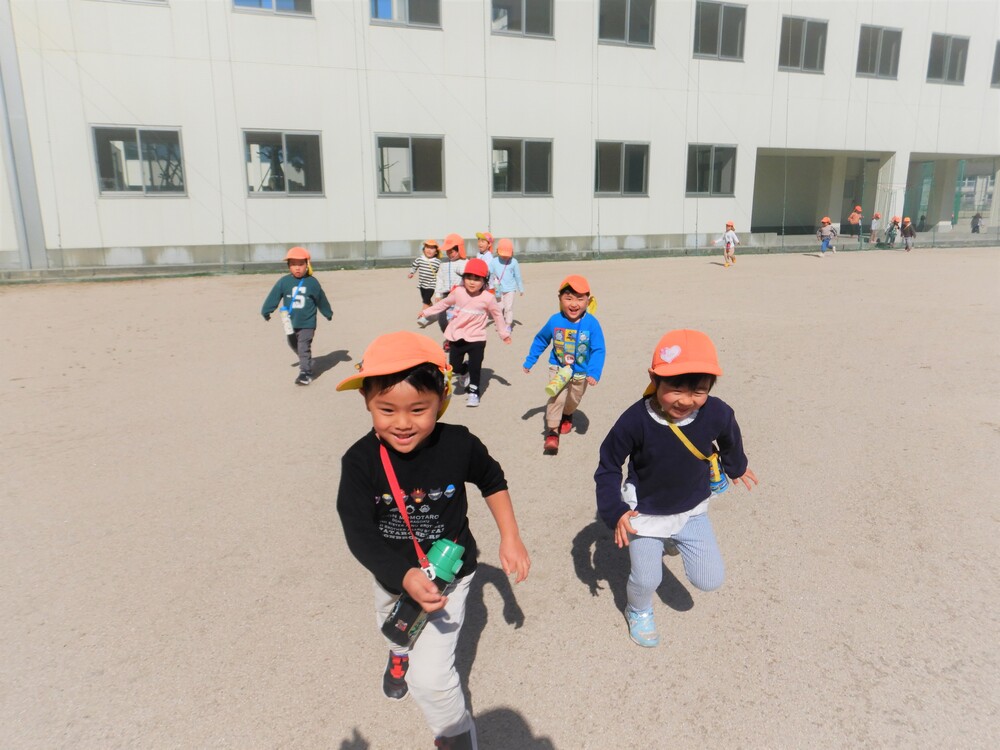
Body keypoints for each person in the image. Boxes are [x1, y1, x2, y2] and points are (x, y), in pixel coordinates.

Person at [335, 331, 530, 750]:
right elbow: (357, 529)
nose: (402, 423)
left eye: (418, 409)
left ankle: (454, 736)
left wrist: (510, 537)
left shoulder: (458, 444)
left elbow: (492, 480)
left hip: (450, 577)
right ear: (366, 402)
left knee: (433, 677)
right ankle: (398, 652)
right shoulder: (359, 460)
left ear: (441, 399)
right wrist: (400, 574)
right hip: (392, 575)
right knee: (394, 628)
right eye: (386, 409)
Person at [594, 329, 758, 647]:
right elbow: (608, 466)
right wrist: (615, 512)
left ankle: (672, 537)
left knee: (709, 580)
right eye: (675, 389)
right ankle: (637, 609)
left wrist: (736, 465)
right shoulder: (634, 421)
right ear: (655, 379)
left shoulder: (717, 412)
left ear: (710, 387)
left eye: (699, 390)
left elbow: (729, 433)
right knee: (647, 578)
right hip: (647, 512)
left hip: (691, 508)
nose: (686, 400)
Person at [522, 275, 606, 455]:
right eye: (568, 298)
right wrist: (531, 360)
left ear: (588, 300)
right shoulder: (555, 321)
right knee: (557, 397)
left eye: (579, 299)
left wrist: (594, 371)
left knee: (573, 399)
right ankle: (552, 432)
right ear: (560, 299)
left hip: (581, 372)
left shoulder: (592, 324)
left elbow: (599, 349)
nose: (574, 304)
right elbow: (541, 340)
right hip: (558, 368)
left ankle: (567, 414)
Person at [419, 258, 510, 407]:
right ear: (464, 278)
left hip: (477, 338)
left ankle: (474, 392)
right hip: (457, 336)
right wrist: (426, 312)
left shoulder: (488, 298)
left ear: (484, 281)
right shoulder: (458, 292)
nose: (472, 282)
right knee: (455, 365)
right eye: (468, 278)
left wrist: (504, 334)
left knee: (476, 367)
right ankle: (464, 370)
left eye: (477, 279)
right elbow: (443, 304)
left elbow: (498, 315)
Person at [260, 246, 332, 386]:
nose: (297, 268)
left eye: (300, 264)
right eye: (293, 265)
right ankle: (308, 362)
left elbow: (321, 299)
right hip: (290, 322)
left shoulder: (312, 282)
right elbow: (273, 297)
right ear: (288, 266)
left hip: (307, 322)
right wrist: (266, 310)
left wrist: (327, 312)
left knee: (303, 345)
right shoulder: (284, 282)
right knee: (293, 344)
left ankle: (305, 373)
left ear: (307, 265)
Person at [432, 234, 468, 342]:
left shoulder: (465, 263)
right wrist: (438, 294)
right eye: (447, 251)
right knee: (442, 320)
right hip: (446, 295)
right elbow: (439, 279)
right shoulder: (443, 264)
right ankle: (449, 338)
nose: (449, 254)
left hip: (460, 296)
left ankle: (457, 340)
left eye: (451, 251)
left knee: (457, 320)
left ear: (459, 249)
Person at [488, 238, 524, 332]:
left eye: (507, 255)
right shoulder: (494, 262)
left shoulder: (514, 262)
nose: (505, 257)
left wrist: (521, 288)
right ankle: (500, 323)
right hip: (498, 288)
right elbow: (488, 273)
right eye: (503, 255)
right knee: (499, 307)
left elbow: (518, 276)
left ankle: (508, 324)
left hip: (510, 289)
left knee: (508, 308)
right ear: (498, 251)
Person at [409, 240, 442, 314]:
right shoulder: (420, 259)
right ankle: (431, 307)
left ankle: (423, 316)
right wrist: (412, 272)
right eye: (427, 247)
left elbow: (440, 274)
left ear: (436, 252)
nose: (429, 250)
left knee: (425, 301)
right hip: (422, 285)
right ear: (423, 250)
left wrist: (438, 293)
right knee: (426, 300)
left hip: (431, 285)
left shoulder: (437, 262)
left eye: (432, 248)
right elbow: (414, 265)